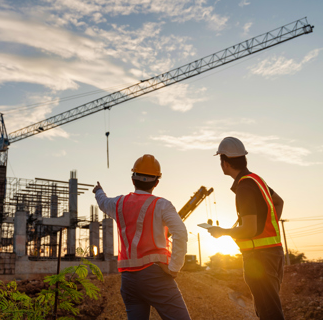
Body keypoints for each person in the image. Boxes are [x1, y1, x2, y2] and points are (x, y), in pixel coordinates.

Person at [93, 154, 191, 320]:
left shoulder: (119, 204)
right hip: (156, 276)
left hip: (129, 280)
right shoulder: (162, 205)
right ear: (156, 182)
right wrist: (174, 268)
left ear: (133, 179)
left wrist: (98, 191)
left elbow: (103, 202)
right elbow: (180, 233)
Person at [207, 137, 285, 320]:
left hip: (260, 258)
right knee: (269, 310)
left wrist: (222, 232)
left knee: (269, 314)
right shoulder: (256, 180)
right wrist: (265, 224)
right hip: (273, 254)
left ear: (224, 163)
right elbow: (279, 202)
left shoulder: (245, 187)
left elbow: (249, 230)